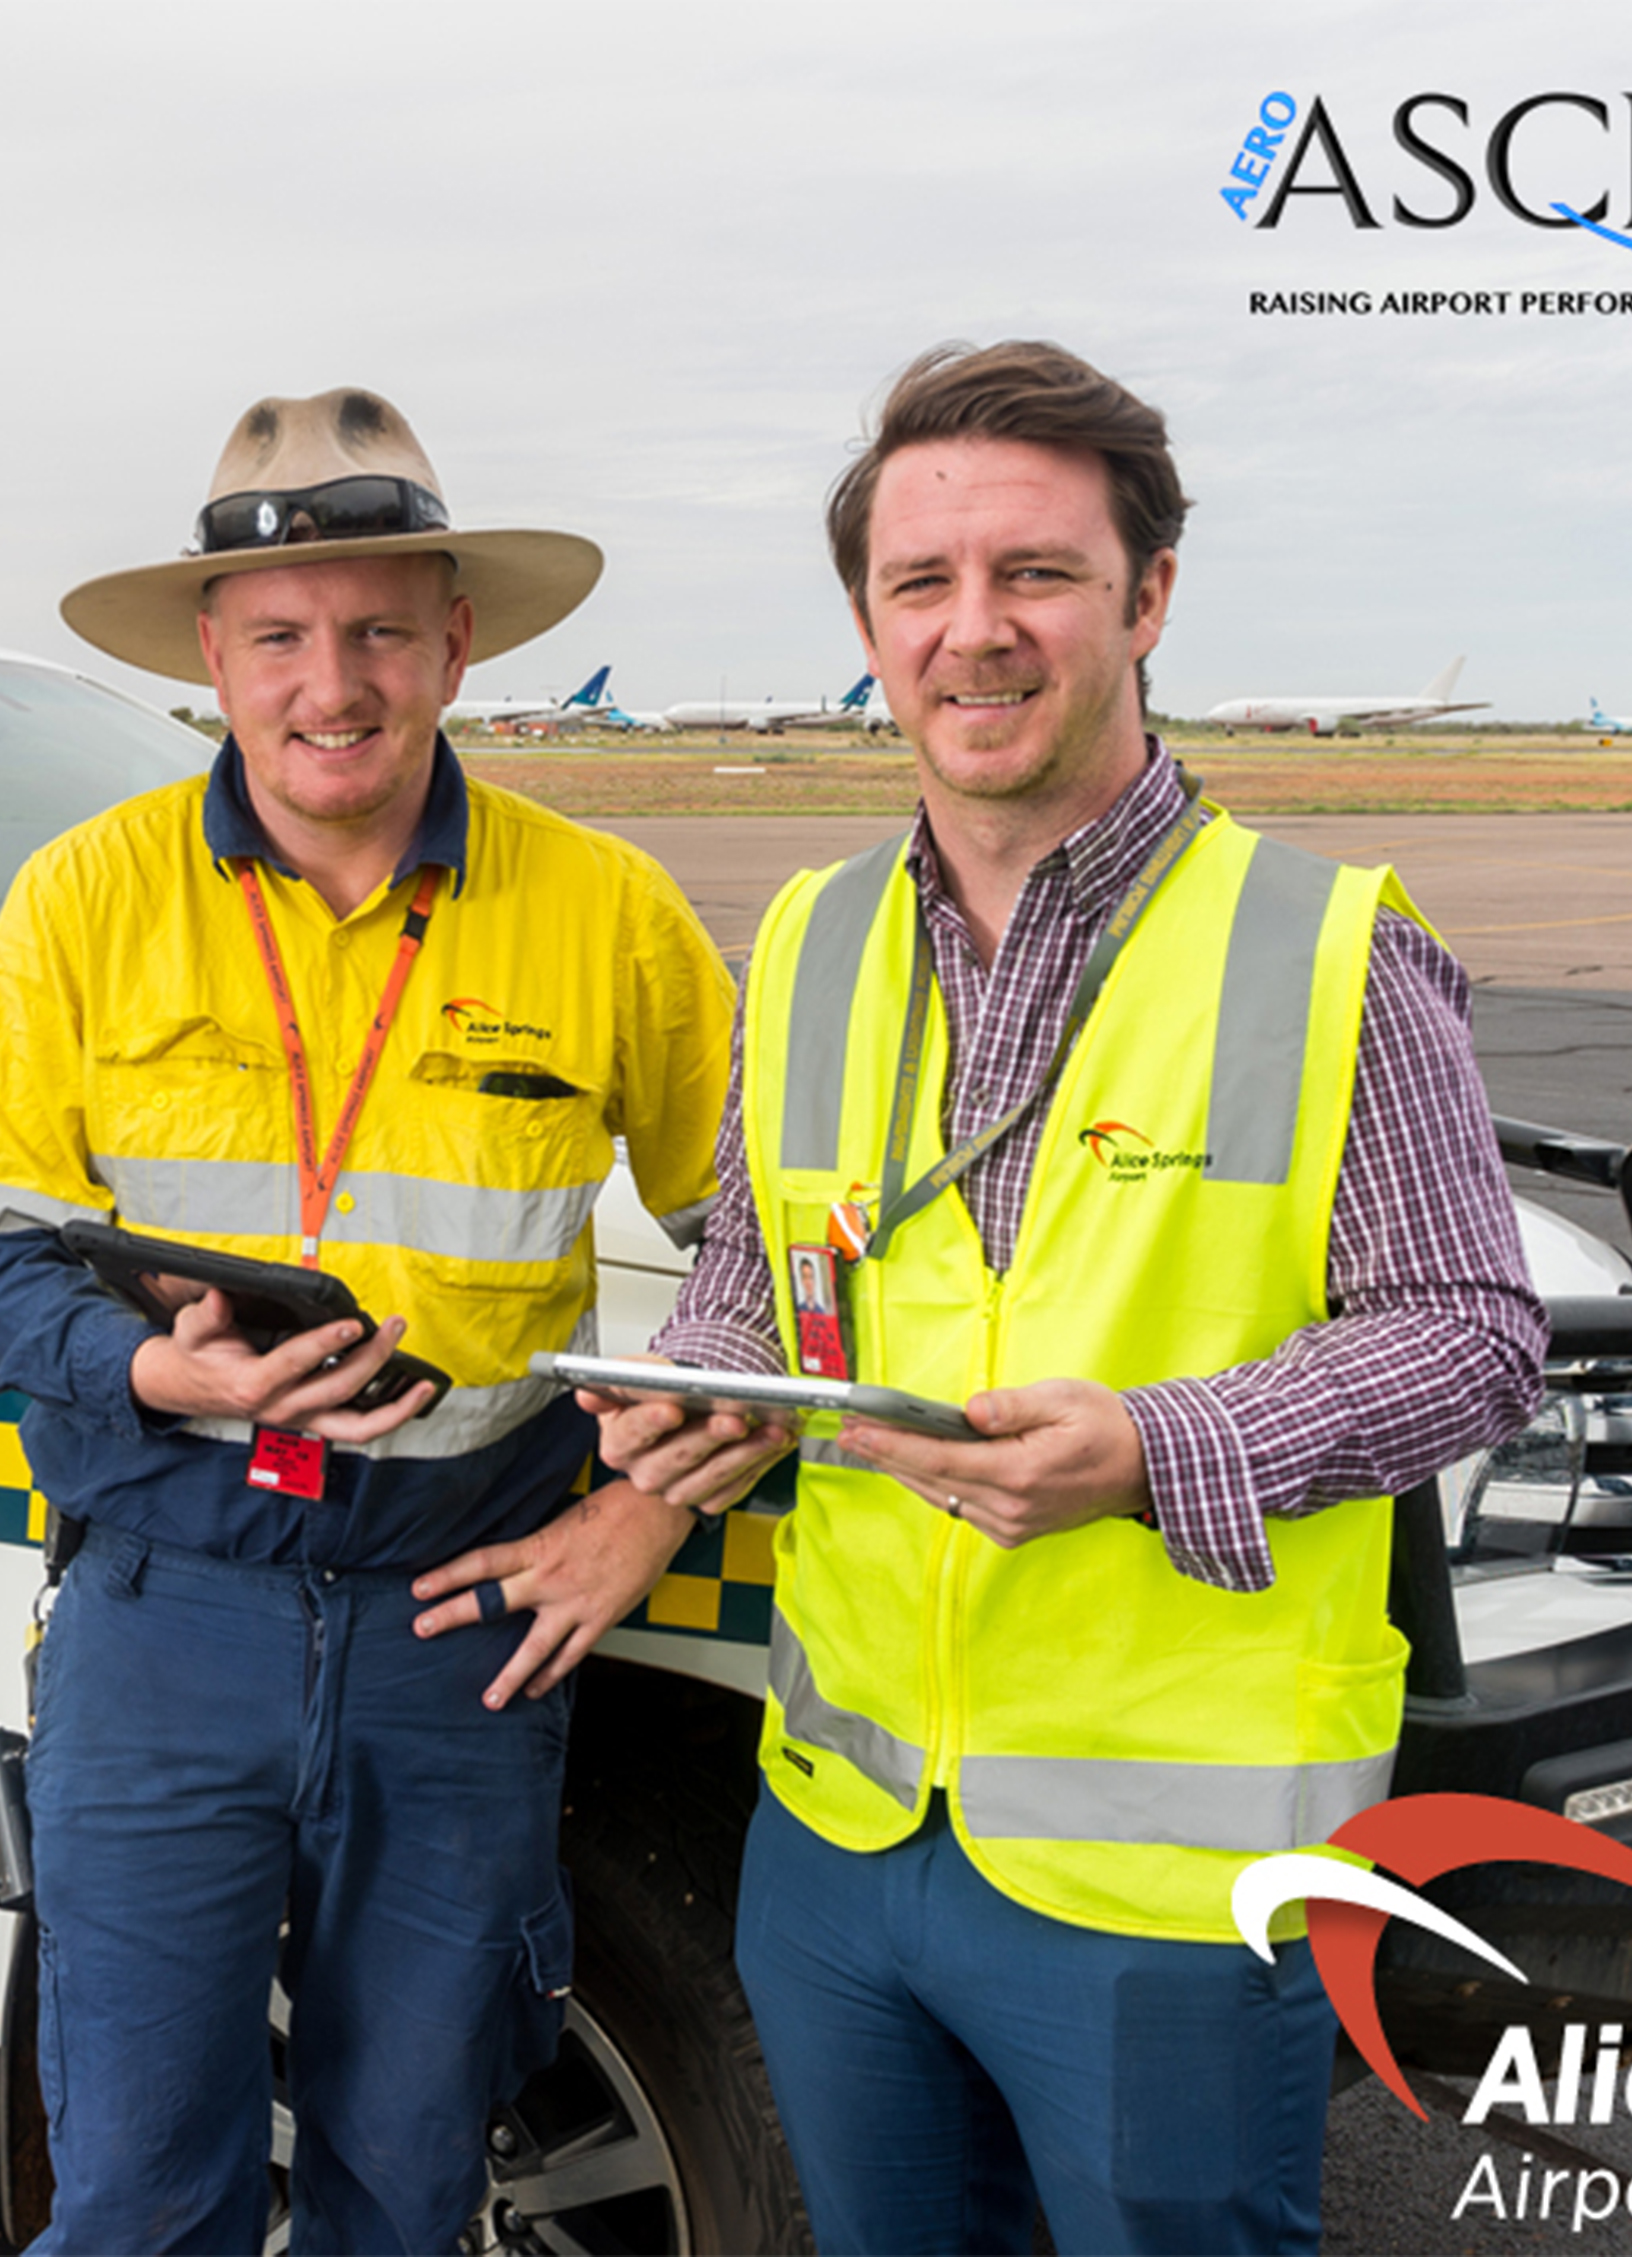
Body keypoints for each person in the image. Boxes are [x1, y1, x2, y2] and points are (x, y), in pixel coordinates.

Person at [589, 339, 1550, 2255]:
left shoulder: (1324, 943)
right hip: (840, 1832)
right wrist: (698, 1387)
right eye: (920, 586)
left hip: (1165, 1885)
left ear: (1149, 597)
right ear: (868, 622)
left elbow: (1470, 1329)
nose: (975, 632)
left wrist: (1155, 1447)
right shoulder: (809, 931)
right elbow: (763, 1262)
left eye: (1033, 573)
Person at [0, 388, 738, 2254]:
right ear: (211, 658)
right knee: (132, 2199)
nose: (331, 683)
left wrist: (649, 1505)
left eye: (379, 629)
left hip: (459, 1634)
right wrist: (146, 1363)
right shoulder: (79, 900)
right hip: (170, 1604)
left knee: (408, 2190)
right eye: (278, 637)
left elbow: (764, 1261)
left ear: (456, 640)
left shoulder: (613, 915)